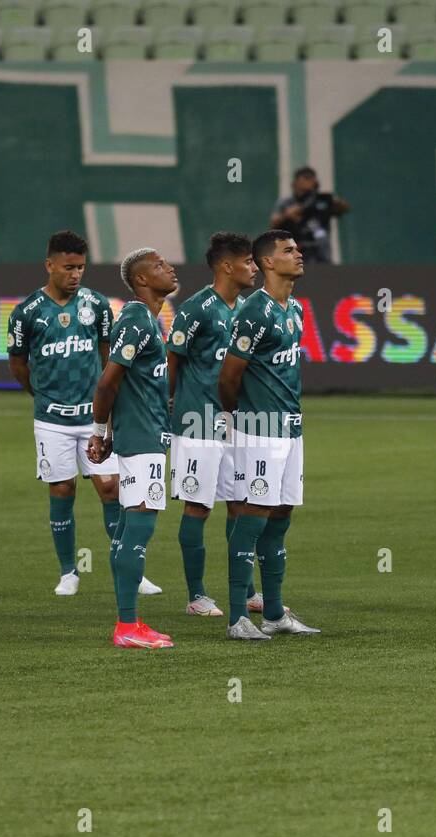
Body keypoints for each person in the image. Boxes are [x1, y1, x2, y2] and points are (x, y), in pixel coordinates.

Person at [8, 230, 161, 598]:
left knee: (110, 488)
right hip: (51, 419)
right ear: (49, 265)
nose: (75, 275)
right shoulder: (26, 312)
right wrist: (41, 394)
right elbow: (18, 363)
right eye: (68, 267)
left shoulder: (97, 305)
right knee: (62, 489)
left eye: (80, 267)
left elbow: (109, 358)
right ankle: (68, 572)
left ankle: (130, 570)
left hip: (92, 418)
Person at [218, 230, 321, 641]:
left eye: (297, 249)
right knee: (253, 515)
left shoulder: (294, 309)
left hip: (291, 428)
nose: (298, 255)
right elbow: (229, 375)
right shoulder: (253, 312)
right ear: (265, 263)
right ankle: (237, 617)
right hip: (259, 429)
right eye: (288, 251)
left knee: (280, 518)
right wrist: (234, 419)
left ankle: (275, 613)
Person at [87, 248, 177, 650]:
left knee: (127, 531)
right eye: (158, 266)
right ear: (141, 280)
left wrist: (108, 433)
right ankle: (126, 626)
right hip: (141, 440)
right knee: (138, 529)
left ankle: (129, 623)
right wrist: (97, 431)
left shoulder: (148, 320)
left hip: (144, 435)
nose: (168, 268)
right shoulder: (136, 319)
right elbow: (108, 382)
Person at [167, 232, 257, 617]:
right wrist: (171, 404)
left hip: (238, 422)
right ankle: (197, 595)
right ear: (226, 266)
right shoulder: (196, 308)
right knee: (199, 506)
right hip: (197, 421)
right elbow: (172, 359)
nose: (254, 268)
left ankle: (248, 591)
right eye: (248, 261)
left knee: (241, 504)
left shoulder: (251, 308)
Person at [270, 167, 349, 264]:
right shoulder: (286, 202)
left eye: (310, 179)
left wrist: (336, 202)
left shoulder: (321, 200)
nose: (306, 184)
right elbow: (273, 223)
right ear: (295, 183)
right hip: (296, 249)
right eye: (304, 179)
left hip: (320, 251)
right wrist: (288, 214)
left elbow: (343, 208)